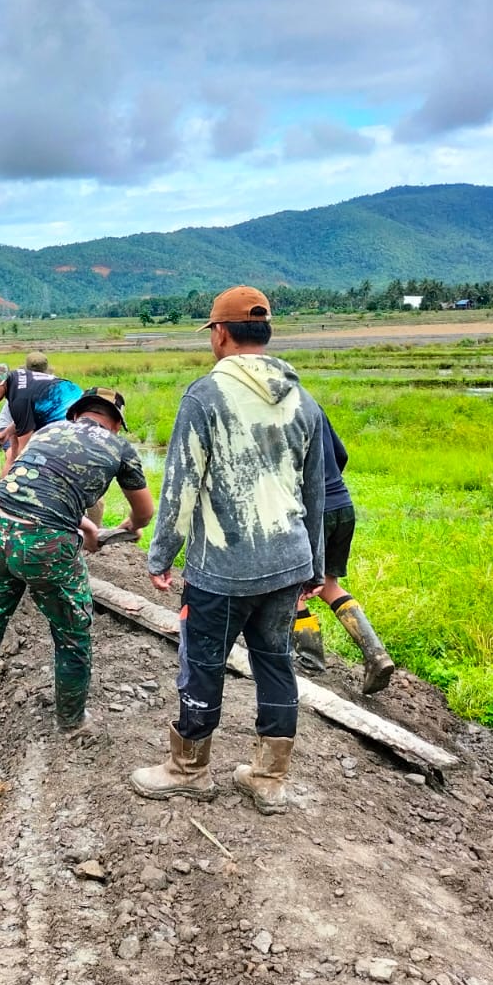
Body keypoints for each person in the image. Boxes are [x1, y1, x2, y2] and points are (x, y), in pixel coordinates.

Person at [130, 286, 324, 816]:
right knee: (276, 661)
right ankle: (269, 778)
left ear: (219, 333)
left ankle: (188, 769)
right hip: (289, 559)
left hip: (224, 564)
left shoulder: (205, 397)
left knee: (203, 662)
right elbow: (316, 490)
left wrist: (161, 555)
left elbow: (180, 486)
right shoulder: (302, 398)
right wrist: (317, 566)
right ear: (265, 333)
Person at [0, 388, 155, 757]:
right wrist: (130, 526)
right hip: (47, 546)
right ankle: (73, 722)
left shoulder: (49, 432)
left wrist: (87, 529)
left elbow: (35, 491)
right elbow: (144, 512)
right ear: (115, 423)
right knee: (72, 633)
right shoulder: (120, 448)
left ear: (77, 413)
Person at [290, 407, 395, 694]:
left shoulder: (279, 409)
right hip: (342, 504)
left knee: (294, 583)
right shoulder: (312, 405)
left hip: (314, 510)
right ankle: (376, 653)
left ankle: (309, 661)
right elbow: (341, 454)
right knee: (327, 583)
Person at [0, 360, 82, 471]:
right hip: (73, 399)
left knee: (36, 461)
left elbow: (23, 450)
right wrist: (7, 432)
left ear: (0, 382)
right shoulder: (15, 379)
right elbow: (24, 418)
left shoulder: (19, 399)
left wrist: (17, 470)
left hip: (70, 415)